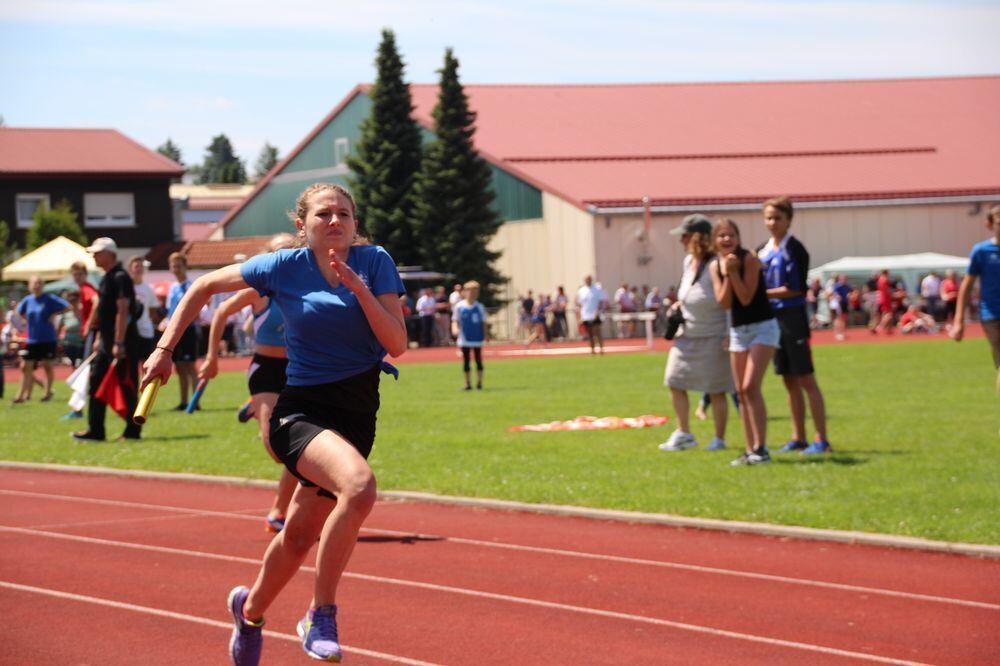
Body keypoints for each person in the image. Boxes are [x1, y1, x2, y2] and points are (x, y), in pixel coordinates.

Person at [141, 183, 406, 665]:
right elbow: (203, 288)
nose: (335, 221)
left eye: (344, 213)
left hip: (357, 415)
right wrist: (164, 350)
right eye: (324, 213)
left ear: (355, 222)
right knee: (360, 488)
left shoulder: (376, 262)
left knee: (302, 534)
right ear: (301, 224)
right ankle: (319, 615)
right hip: (301, 412)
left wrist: (360, 289)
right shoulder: (284, 265)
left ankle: (251, 610)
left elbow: (397, 342)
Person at [200, 233, 299, 534]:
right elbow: (220, 312)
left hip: (298, 372)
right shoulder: (259, 291)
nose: (285, 259)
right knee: (275, 448)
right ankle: (258, 405)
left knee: (299, 450)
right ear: (269, 257)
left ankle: (278, 512)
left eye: (291, 252)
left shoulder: (306, 288)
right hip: (265, 371)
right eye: (278, 253)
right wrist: (212, 357)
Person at [757, 197, 831, 455]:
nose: (772, 223)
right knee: (788, 380)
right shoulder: (762, 251)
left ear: (789, 219)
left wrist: (763, 294)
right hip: (771, 321)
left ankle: (821, 439)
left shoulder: (795, 249)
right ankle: (798, 436)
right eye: (768, 218)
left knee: (806, 378)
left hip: (793, 319)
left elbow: (796, 287)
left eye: (777, 218)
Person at [658, 214, 733, 453]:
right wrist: (679, 306)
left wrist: (729, 333)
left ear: (697, 237)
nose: (681, 240)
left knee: (716, 389)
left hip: (713, 334)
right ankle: (684, 432)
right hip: (687, 334)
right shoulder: (688, 262)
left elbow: (728, 301)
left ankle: (719, 439)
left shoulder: (716, 264)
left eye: (685, 235)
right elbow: (688, 294)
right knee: (674, 380)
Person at [710, 219, 780, 466]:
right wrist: (728, 273)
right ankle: (750, 449)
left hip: (763, 327)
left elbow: (746, 298)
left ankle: (761, 448)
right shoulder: (715, 266)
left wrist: (734, 272)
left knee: (751, 386)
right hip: (738, 330)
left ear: (738, 237)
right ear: (714, 240)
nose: (726, 240)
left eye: (730, 235)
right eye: (721, 236)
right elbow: (725, 302)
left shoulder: (749, 259)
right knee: (740, 391)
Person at [72, 237, 143, 442]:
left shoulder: (120, 277)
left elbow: (122, 311)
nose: (93, 256)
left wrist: (118, 342)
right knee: (95, 383)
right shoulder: (105, 278)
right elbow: (105, 312)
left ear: (110, 254)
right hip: (105, 343)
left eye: (97, 252)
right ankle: (96, 431)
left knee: (127, 385)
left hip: (122, 343)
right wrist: (101, 339)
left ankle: (133, 430)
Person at [952, 204, 1000, 390]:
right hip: (992, 315)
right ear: (989, 224)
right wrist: (958, 321)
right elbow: (967, 285)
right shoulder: (981, 251)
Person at [13, 276, 73, 403]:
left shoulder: (49, 299)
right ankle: (20, 396)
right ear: (30, 285)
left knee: (47, 366)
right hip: (32, 339)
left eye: (39, 283)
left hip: (48, 338)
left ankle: (47, 393)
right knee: (25, 367)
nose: (37, 285)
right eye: (34, 283)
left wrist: (55, 314)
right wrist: (23, 320)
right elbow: (18, 312)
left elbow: (68, 306)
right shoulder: (28, 300)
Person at [166, 252, 200, 409]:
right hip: (175, 331)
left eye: (179, 265)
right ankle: (184, 401)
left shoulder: (190, 286)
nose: (176, 269)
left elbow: (196, 311)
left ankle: (195, 401)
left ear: (185, 267)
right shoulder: (172, 288)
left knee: (190, 366)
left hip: (188, 330)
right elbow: (170, 311)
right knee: (179, 367)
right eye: (173, 266)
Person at [452, 280, 487, 390]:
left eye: (475, 291)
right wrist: (455, 329)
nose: (472, 294)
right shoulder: (459, 306)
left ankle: (479, 383)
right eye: (470, 291)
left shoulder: (480, 307)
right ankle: (467, 383)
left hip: (477, 337)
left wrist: (485, 334)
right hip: (464, 337)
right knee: (466, 360)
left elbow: (484, 322)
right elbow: (455, 320)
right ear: (465, 292)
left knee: (478, 359)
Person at [128, 256, 159, 365]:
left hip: (146, 330)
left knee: (145, 363)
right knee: (131, 362)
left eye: (141, 266)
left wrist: (146, 320)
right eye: (136, 266)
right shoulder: (127, 287)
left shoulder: (148, 288)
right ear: (130, 269)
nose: (139, 269)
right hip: (130, 331)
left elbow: (153, 309)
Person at [70, 261, 100, 358]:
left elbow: (97, 302)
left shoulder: (86, 288)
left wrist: (88, 325)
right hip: (91, 331)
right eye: (75, 275)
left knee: (87, 362)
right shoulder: (81, 290)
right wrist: (75, 306)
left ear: (86, 274)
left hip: (94, 330)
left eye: (80, 274)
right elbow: (81, 314)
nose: (77, 277)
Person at [576, 276, 607, 355]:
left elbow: (601, 301)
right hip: (586, 315)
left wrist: (597, 311)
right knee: (590, 334)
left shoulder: (597, 288)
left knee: (597, 332)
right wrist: (579, 316)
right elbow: (579, 304)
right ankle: (592, 350)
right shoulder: (582, 290)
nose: (588, 281)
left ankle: (601, 350)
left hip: (595, 314)